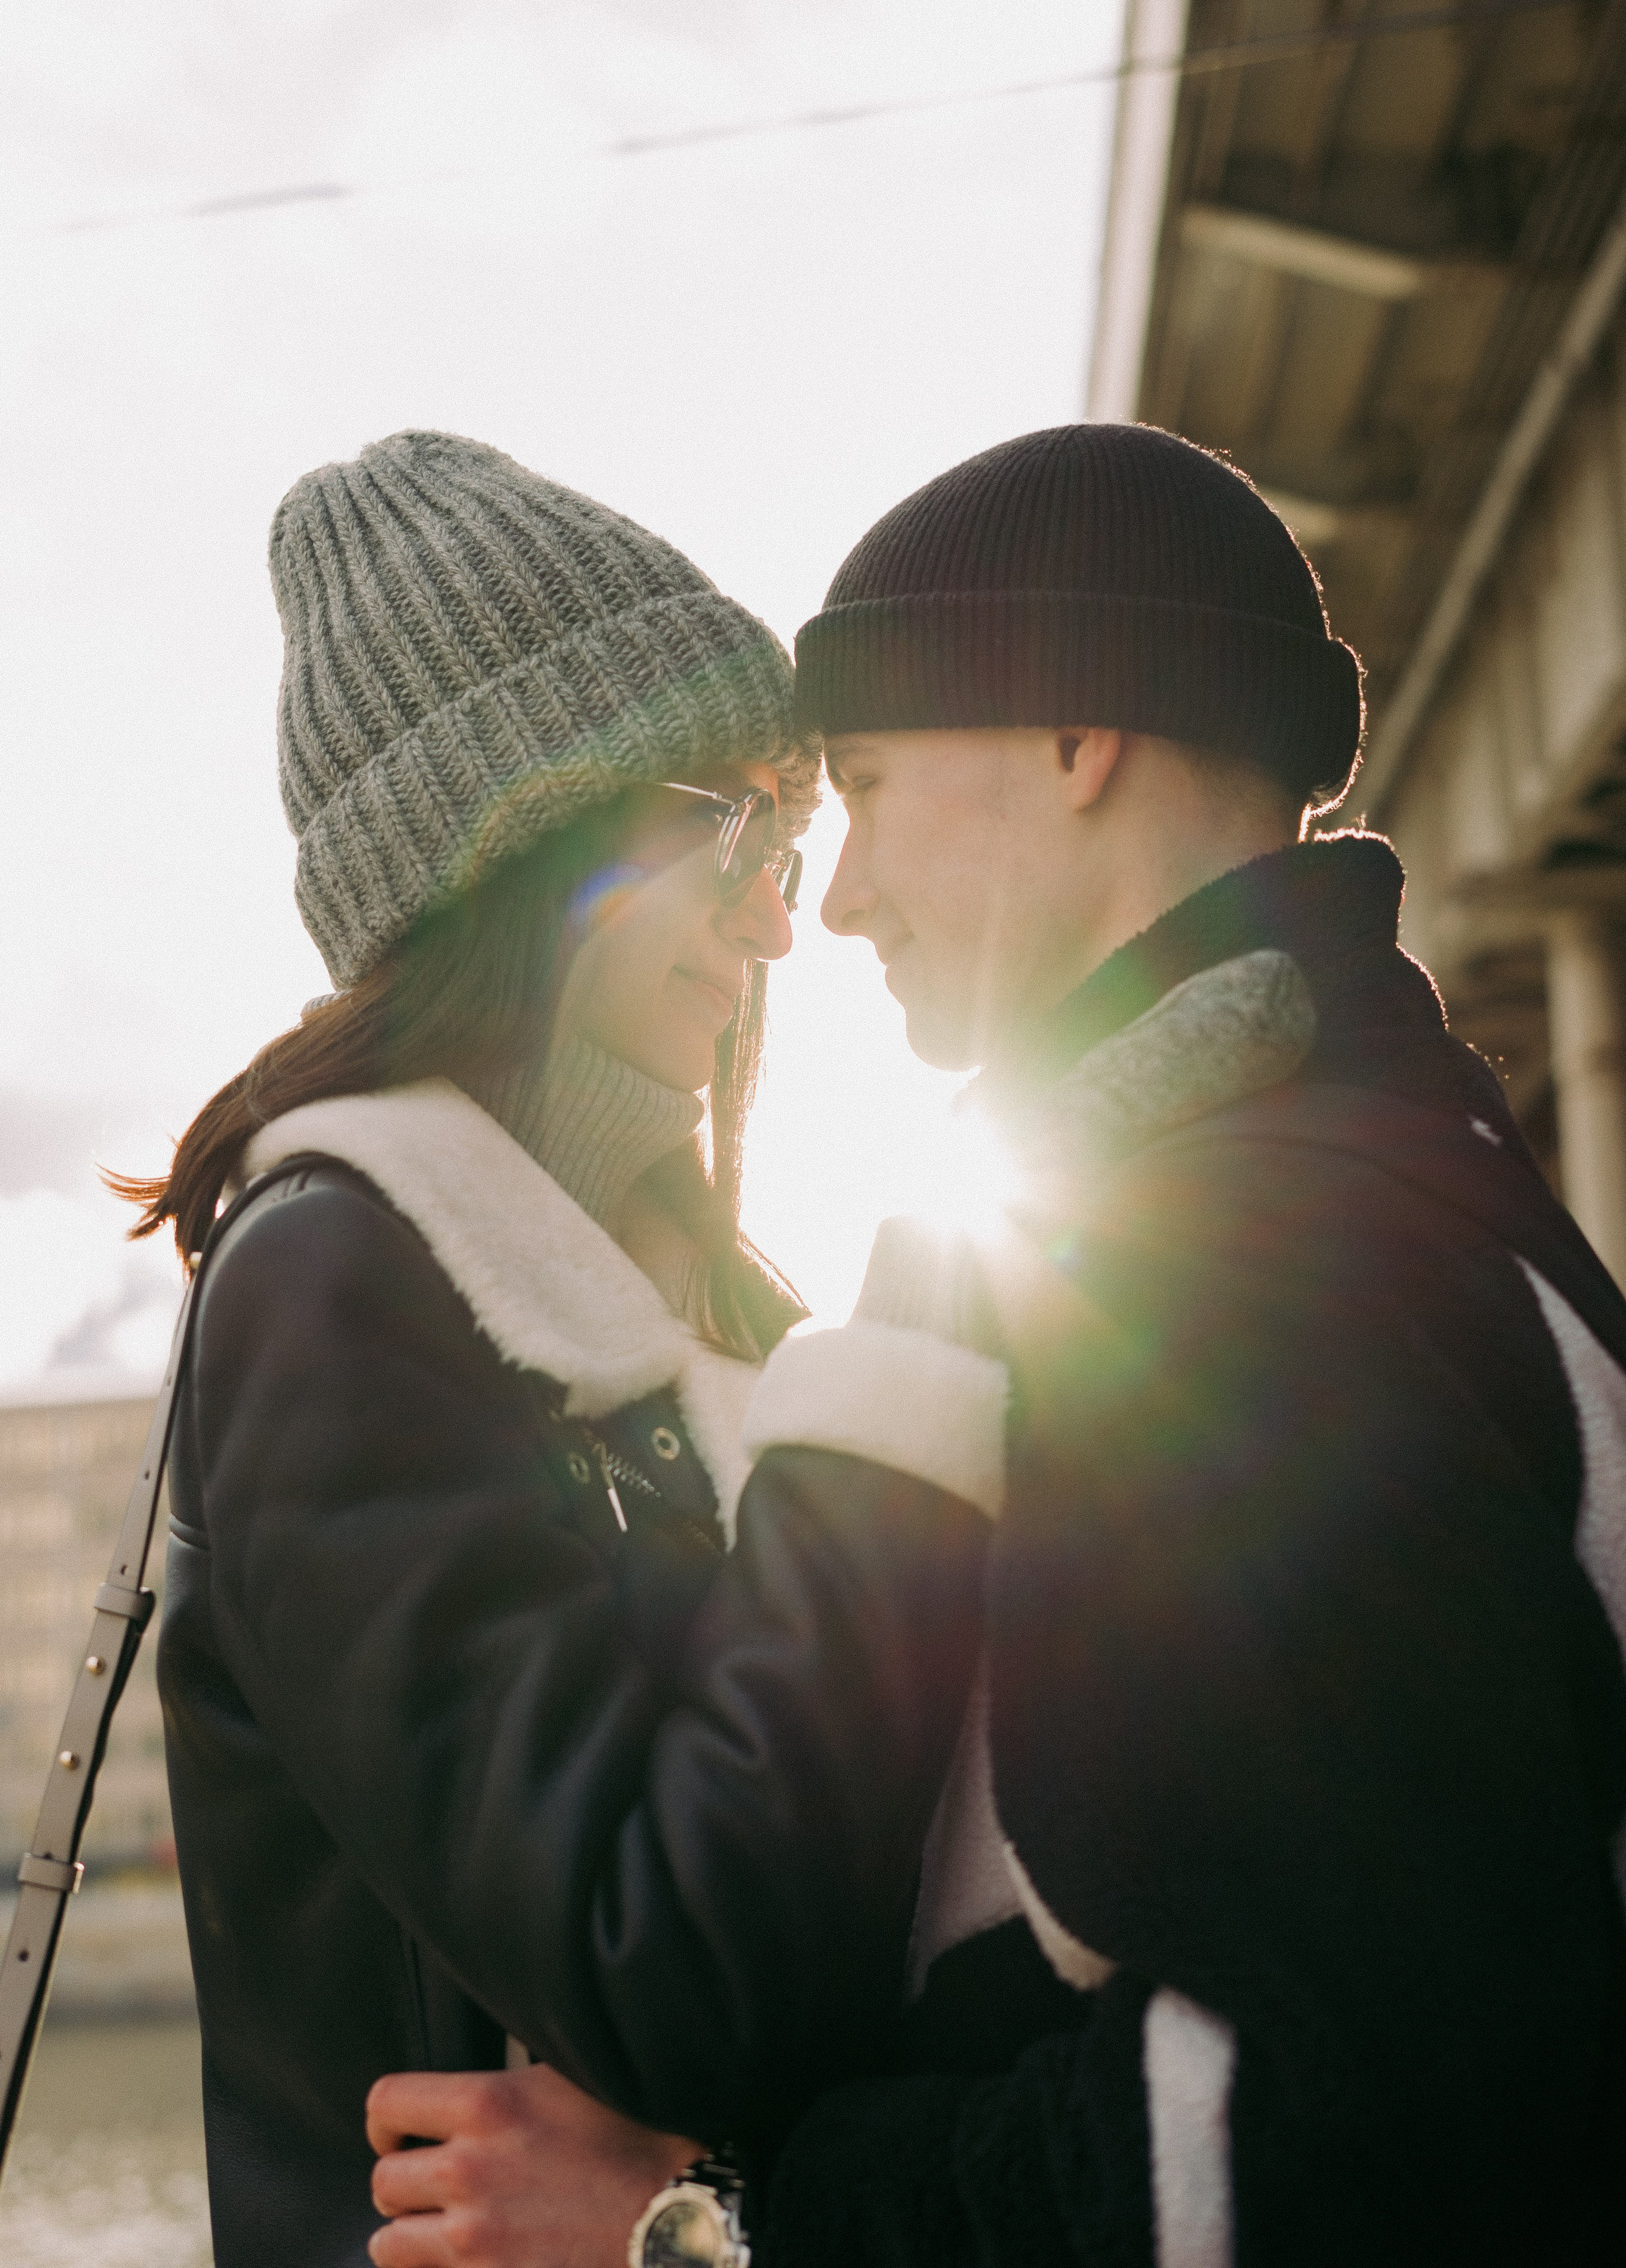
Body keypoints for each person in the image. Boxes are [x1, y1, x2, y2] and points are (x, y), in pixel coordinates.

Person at [378, 423, 1626, 2267]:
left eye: (869, 785)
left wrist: (706, 2226)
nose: (840, 899)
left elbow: (1344, 2142)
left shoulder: (1230, 1269)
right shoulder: (1393, 1168)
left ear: (1072, 735)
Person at [128, 431, 996, 2268]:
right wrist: (895, 1441)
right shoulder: (339, 1279)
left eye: (794, 835)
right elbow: (664, 1973)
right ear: (522, 835)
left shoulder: (711, 1302)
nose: (782, 918)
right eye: (732, 826)